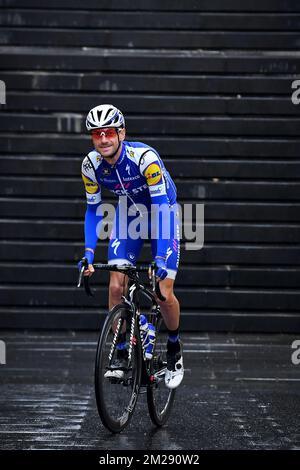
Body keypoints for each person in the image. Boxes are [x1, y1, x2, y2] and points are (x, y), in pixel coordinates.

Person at [79, 104, 184, 389]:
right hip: (129, 214)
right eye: (97, 134)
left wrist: (161, 256)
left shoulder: (144, 158)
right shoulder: (90, 165)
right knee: (115, 286)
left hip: (163, 213)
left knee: (163, 292)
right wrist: (88, 253)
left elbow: (162, 207)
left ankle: (174, 348)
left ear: (121, 133)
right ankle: (124, 347)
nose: (103, 139)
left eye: (109, 132)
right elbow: (92, 209)